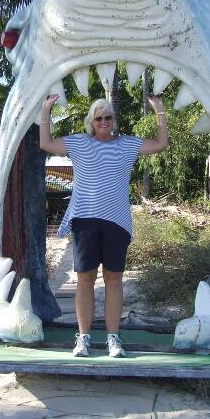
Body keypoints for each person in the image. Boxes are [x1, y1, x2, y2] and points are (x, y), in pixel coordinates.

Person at [39, 94, 169, 357]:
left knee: (114, 279)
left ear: (114, 119)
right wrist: (45, 110)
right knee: (85, 279)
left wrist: (159, 110)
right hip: (84, 220)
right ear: (92, 121)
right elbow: (46, 143)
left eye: (108, 117)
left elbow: (161, 144)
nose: (104, 122)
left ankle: (113, 339)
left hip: (117, 221)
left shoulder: (127, 144)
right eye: (98, 118)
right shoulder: (79, 142)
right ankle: (83, 339)